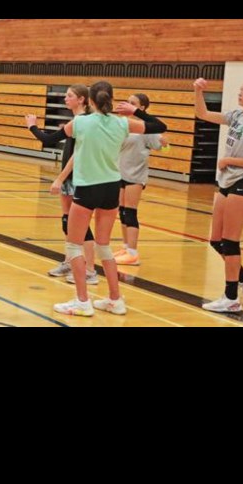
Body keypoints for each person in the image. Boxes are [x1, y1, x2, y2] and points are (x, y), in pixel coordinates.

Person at [52, 81, 157, 318]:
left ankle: (82, 301)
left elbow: (49, 139)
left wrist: (33, 128)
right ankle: (115, 299)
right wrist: (136, 112)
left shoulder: (80, 122)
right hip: (111, 187)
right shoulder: (122, 122)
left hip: (88, 187)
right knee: (104, 245)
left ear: (89, 101)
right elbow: (158, 125)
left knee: (74, 244)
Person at [195, 76, 243, 313]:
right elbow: (204, 114)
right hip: (226, 182)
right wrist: (198, 91)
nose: (240, 93)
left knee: (230, 242)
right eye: (240, 89)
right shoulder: (238, 116)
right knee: (216, 241)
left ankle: (231, 298)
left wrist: (229, 160)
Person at [26, 86, 99, 284]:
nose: (65, 99)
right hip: (70, 179)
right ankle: (70, 261)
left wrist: (60, 178)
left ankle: (91, 270)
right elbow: (50, 140)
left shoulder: (84, 122)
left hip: (80, 178)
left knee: (82, 225)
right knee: (68, 221)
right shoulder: (76, 121)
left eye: (70, 96)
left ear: (81, 99)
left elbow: (77, 155)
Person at [114, 93, 167, 266]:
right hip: (120, 173)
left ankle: (133, 253)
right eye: (127, 101)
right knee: (121, 212)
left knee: (130, 212)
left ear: (142, 108)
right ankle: (126, 247)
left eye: (133, 103)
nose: (128, 105)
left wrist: (165, 143)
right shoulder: (124, 123)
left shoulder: (145, 128)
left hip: (135, 175)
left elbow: (162, 145)